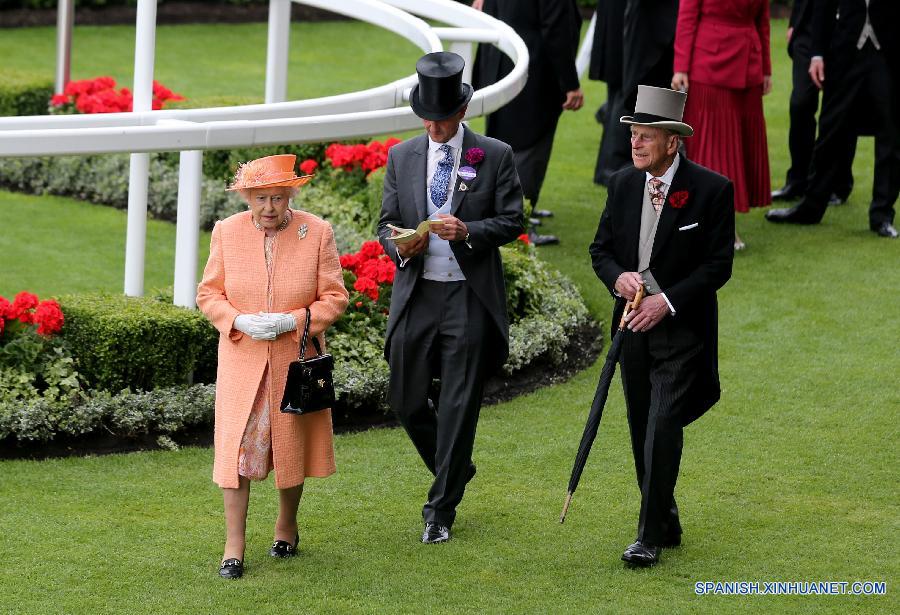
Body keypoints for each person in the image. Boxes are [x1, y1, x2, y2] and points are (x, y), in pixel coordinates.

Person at [378, 52, 524, 544]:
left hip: (468, 296)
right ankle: (455, 467)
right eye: (428, 120)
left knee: (460, 405)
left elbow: (512, 220)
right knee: (405, 399)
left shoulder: (495, 155)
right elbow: (385, 222)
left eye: (443, 120)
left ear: (462, 112)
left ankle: (439, 510)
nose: (435, 128)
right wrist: (401, 245)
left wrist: (469, 231)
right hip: (417, 293)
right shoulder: (401, 157)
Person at [589, 86, 734, 567]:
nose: (635, 144)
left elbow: (717, 267)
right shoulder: (621, 184)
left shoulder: (713, 189)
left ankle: (647, 535)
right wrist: (619, 277)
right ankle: (664, 517)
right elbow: (601, 252)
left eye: (645, 136)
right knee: (639, 428)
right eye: (632, 135)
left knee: (662, 426)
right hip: (631, 328)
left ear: (673, 142)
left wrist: (666, 302)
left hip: (684, 332)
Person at [197, 154, 349, 579]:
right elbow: (209, 295)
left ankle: (286, 526)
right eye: (261, 198)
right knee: (237, 451)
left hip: (294, 362)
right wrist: (237, 320)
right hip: (242, 362)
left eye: (278, 198)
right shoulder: (226, 233)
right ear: (247, 197)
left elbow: (335, 297)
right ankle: (234, 545)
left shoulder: (316, 232)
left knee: (291, 446)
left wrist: (294, 321)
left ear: (290, 197)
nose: (269, 207)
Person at [766, 0, 899, 238]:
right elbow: (823, 4)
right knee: (831, 129)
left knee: (891, 134)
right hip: (844, 48)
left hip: (888, 51)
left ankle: (882, 215)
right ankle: (811, 207)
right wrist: (817, 53)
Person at [472, 0, 583, 245]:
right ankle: (517, 225)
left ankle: (517, 212)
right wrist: (570, 83)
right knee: (529, 147)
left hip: (502, 61)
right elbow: (556, 29)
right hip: (532, 69)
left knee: (506, 142)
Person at [671, 0, 772, 251]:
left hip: (749, 66)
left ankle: (721, 222)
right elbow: (687, 17)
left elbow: (763, 21)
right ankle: (721, 227)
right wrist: (681, 66)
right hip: (709, 67)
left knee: (741, 149)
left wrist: (767, 68)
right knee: (713, 152)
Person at [772, 0, 855, 205]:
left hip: (844, 29)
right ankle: (797, 180)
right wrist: (795, 22)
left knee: (841, 111)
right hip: (807, 31)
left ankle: (838, 184)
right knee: (800, 104)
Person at [593, 0, 679, 186]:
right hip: (644, 31)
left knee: (625, 98)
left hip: (638, 27)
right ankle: (613, 168)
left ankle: (612, 168)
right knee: (629, 100)